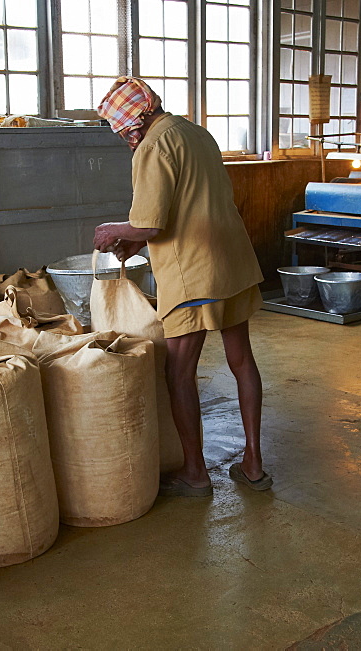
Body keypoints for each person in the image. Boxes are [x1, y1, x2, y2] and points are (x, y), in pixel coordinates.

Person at [92, 76, 271, 497]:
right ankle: (254, 463)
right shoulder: (195, 132)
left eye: (122, 131)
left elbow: (152, 222)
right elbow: (188, 203)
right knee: (242, 360)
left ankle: (194, 472)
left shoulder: (153, 147)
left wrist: (113, 231)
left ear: (134, 122)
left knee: (179, 373)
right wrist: (137, 238)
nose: (125, 140)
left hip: (194, 274)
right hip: (233, 261)